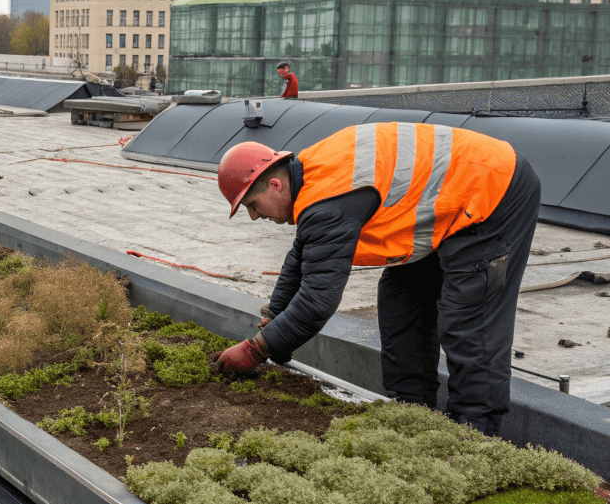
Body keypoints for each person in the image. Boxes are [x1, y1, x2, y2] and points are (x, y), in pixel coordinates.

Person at [210, 123, 541, 436]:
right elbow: (300, 256)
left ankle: (475, 431)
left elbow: (317, 300)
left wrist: (257, 350)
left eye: (252, 205)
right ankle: (414, 415)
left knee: (468, 319)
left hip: (493, 191)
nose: (254, 216)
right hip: (444, 204)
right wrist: (274, 316)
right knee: (401, 299)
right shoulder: (311, 180)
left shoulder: (327, 202)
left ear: (275, 184)